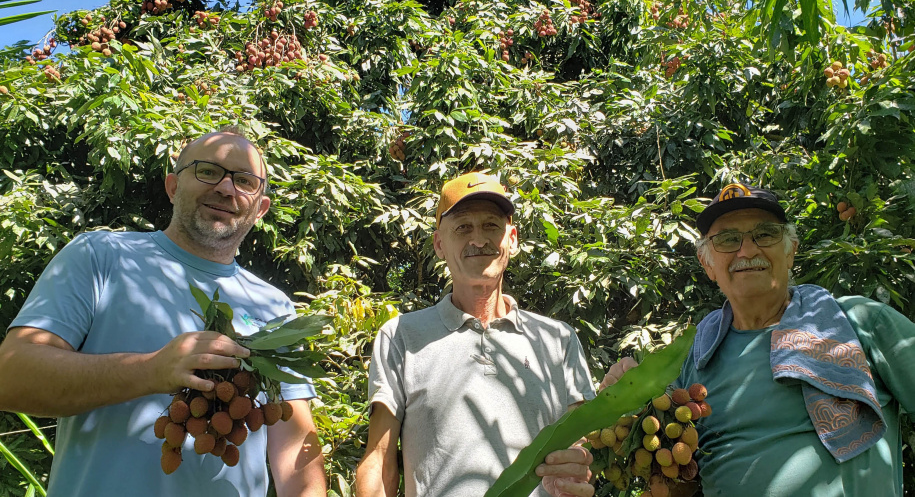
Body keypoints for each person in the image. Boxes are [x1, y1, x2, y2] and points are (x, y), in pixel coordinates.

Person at [0, 129, 327, 497]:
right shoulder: (100, 256)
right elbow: (10, 377)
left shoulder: (274, 306)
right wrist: (151, 370)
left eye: (244, 181)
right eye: (208, 171)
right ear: (172, 186)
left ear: (260, 209)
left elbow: (295, 456)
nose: (226, 188)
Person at [602, 183, 915, 497]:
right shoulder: (692, 360)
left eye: (765, 234)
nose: (748, 251)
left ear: (790, 251)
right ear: (707, 264)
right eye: (728, 239)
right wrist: (629, 402)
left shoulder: (858, 322)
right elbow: (679, 481)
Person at [355, 172, 597, 497]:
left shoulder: (557, 340)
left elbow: (581, 453)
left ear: (512, 239)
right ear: (439, 244)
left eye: (491, 225)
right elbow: (379, 459)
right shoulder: (401, 337)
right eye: (463, 227)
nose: (479, 240)